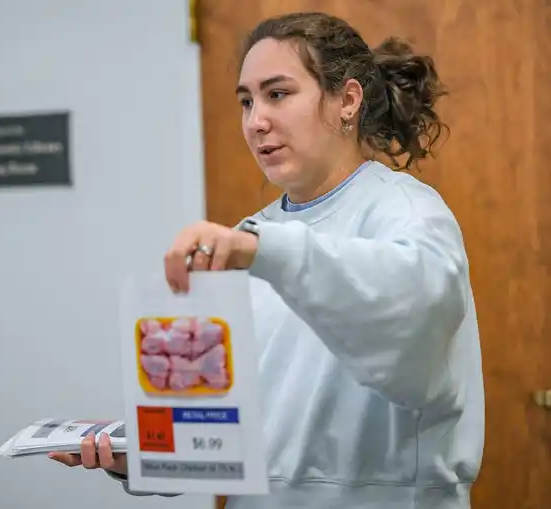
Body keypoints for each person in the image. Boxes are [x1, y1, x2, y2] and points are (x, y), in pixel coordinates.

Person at [49, 11, 485, 509]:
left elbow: (408, 319)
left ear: (346, 100)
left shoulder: (407, 214)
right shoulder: (248, 239)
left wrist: (265, 252)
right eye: (246, 101)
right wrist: (146, 457)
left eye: (277, 94)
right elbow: (223, 435)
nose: (256, 121)